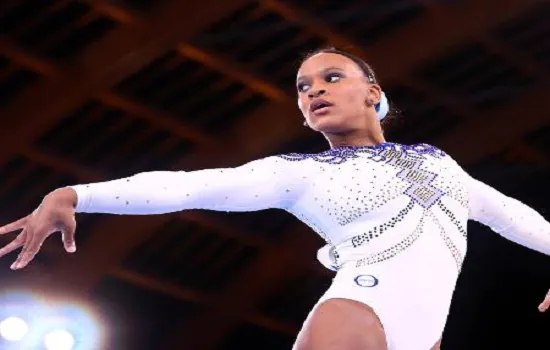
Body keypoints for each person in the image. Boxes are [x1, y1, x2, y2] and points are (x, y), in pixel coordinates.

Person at [0, 47, 549, 350]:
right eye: (304, 89)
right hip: (362, 307)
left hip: (426, 334)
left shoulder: (438, 161)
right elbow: (190, 185)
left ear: (373, 93)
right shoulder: (298, 173)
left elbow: (511, 216)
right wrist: (77, 193)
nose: (314, 92)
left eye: (331, 78)